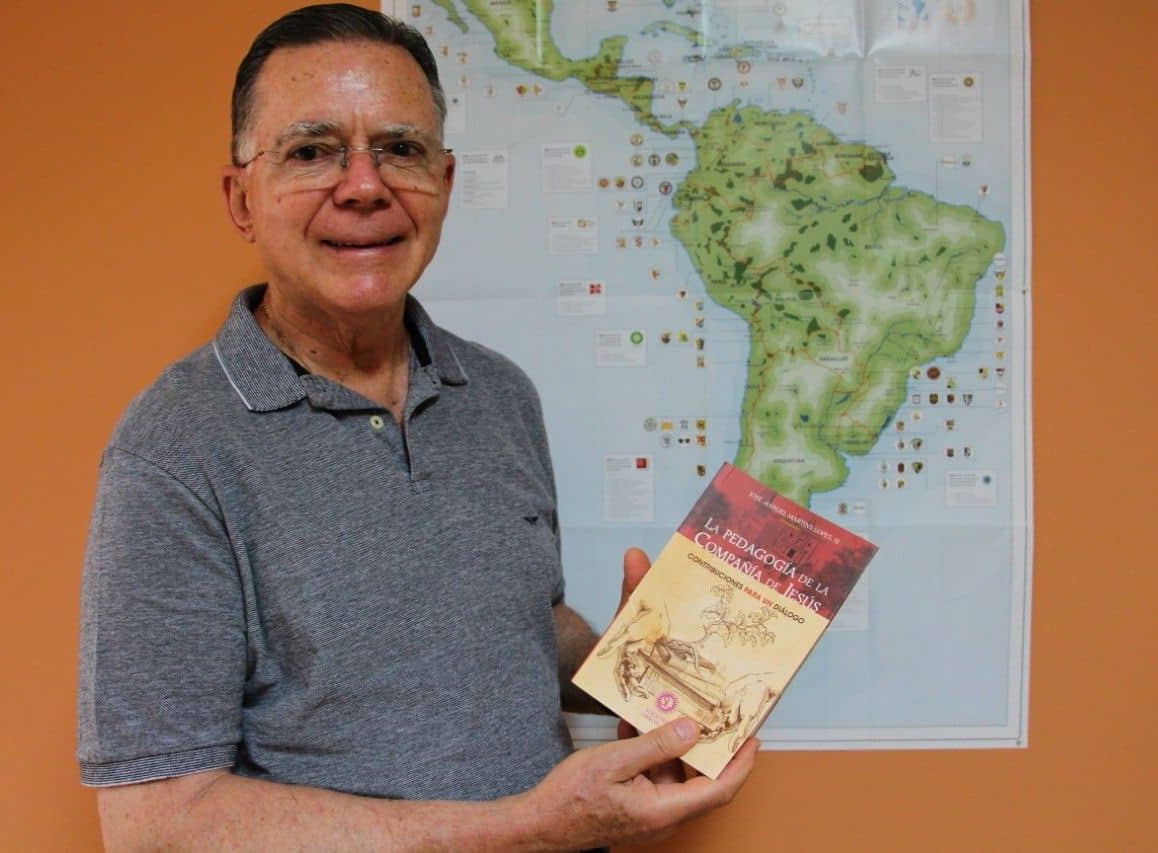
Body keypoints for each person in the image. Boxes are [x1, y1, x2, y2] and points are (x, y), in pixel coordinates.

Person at [77, 5, 756, 849]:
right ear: (241, 198)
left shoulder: (500, 395)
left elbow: (519, 620)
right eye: (312, 151)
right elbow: (156, 822)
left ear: (446, 182)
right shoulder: (173, 451)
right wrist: (527, 827)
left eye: (400, 149)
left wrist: (632, 668)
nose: (364, 186)